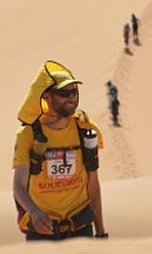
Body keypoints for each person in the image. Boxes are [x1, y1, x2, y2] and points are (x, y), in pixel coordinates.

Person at [12, 61, 107, 240]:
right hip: (42, 231)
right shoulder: (27, 135)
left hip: (81, 228)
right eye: (64, 93)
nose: (71, 97)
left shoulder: (85, 129)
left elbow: (93, 183)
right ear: (47, 96)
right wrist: (34, 212)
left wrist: (100, 230)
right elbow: (19, 186)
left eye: (74, 92)